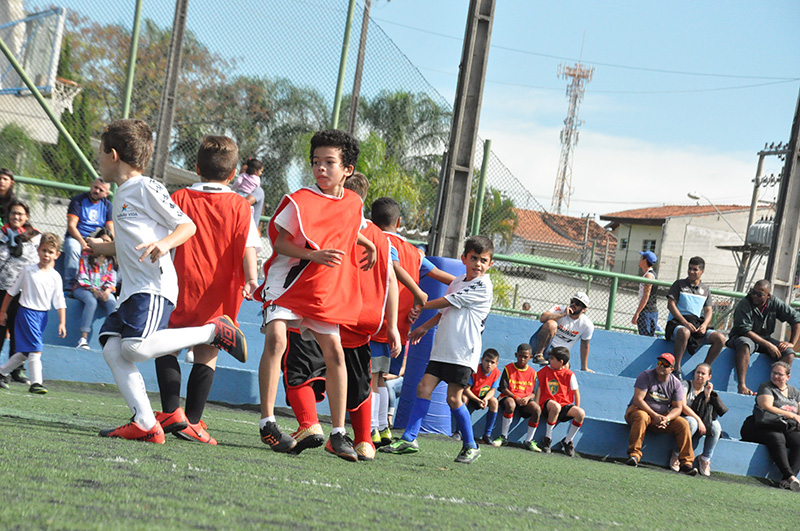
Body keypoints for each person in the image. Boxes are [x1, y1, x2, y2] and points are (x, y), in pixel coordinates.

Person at [90, 119, 247, 444]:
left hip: (154, 288)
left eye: (101, 154)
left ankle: (214, 331)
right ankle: (146, 421)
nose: (99, 160)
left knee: (133, 348)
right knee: (111, 345)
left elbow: (186, 226)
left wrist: (165, 245)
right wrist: (102, 249)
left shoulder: (146, 187)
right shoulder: (123, 193)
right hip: (134, 291)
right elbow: (133, 240)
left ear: (114, 155)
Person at [256, 129, 376, 461]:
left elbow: (350, 230)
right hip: (289, 280)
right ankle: (268, 422)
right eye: (315, 162)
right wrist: (312, 255)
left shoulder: (352, 202)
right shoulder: (301, 200)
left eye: (329, 162)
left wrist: (367, 245)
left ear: (348, 169)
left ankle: (338, 433)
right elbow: (280, 244)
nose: (320, 169)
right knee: (277, 340)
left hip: (321, 287)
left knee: (335, 354)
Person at [277, 172, 400, 461]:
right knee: (359, 382)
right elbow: (391, 280)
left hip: (325, 308)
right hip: (361, 319)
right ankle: (364, 441)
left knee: (299, 372)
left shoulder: (324, 218)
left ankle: (309, 424)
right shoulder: (382, 240)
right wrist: (392, 325)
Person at [153, 135, 260, 445]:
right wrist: (252, 279)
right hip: (221, 290)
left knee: (167, 347)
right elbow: (249, 247)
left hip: (180, 284)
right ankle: (195, 422)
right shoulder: (240, 205)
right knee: (207, 352)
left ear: (196, 167)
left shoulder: (180, 196)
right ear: (233, 173)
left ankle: (171, 412)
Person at [381, 236, 494, 464]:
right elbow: (444, 312)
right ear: (464, 258)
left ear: (490, 264)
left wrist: (421, 302)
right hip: (442, 349)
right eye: (474, 258)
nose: (478, 264)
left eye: (483, 260)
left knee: (454, 398)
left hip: (462, 353)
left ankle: (471, 445)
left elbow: (448, 302)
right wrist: (423, 327)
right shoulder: (458, 280)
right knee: (423, 387)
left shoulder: (483, 285)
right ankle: (410, 438)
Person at [368, 196, 453, 447]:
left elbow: (392, 270)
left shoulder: (378, 241)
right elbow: (438, 274)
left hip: (376, 320)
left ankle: (371, 429)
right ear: (400, 221)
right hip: (402, 327)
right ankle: (383, 428)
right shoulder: (415, 253)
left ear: (372, 221)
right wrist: (466, 284)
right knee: (381, 377)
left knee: (371, 377)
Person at [0, 232, 66, 393]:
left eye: (50, 252)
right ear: (38, 250)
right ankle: (36, 383)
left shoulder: (56, 277)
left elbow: (59, 301)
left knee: (25, 352)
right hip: (26, 313)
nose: (46, 255)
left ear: (57, 255)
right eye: (44, 250)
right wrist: (3, 311)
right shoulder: (28, 270)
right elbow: (12, 292)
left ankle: (1, 372)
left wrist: (62, 322)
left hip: (42, 316)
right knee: (36, 349)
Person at [624, 353, 697, 475]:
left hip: (660, 418)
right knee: (642, 416)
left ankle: (686, 463)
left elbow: (678, 408)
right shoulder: (645, 375)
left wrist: (666, 418)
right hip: (637, 412)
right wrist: (655, 415)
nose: (661, 366)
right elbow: (638, 400)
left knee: (683, 423)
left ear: (671, 369)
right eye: (659, 363)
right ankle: (634, 455)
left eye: (665, 365)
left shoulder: (676, 383)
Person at [727, 279, 800, 396]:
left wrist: (791, 342)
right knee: (745, 344)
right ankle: (742, 386)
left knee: (789, 353)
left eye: (759, 294)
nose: (754, 296)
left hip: (765, 338)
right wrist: (768, 345)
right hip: (742, 336)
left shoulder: (774, 302)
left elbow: (796, 319)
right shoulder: (745, 303)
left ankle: (774, 390)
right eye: (753, 292)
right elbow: (744, 330)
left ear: (768, 296)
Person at [740, 361, 800, 490]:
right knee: (778, 438)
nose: (775, 376)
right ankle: (790, 476)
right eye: (774, 373)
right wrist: (791, 415)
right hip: (764, 425)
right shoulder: (766, 387)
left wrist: (797, 418)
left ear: (788, 377)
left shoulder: (794, 391)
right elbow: (766, 406)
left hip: (786, 426)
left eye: (780, 374)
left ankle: (786, 481)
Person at [0, 199, 41, 385]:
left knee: (18, 332)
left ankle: (15, 370)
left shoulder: (34, 237)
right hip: (2, 288)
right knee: (0, 330)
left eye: (20, 214)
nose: (16, 216)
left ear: (27, 217)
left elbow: (36, 262)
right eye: (13, 213)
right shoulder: (1, 234)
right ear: (8, 215)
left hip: (23, 291)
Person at [664, 256, 725, 379]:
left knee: (720, 338)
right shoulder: (679, 284)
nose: (691, 272)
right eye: (690, 269)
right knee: (684, 332)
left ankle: (704, 368)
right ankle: (677, 369)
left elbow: (708, 310)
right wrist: (684, 322)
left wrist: (704, 325)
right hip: (678, 323)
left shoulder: (706, 289)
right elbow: (671, 305)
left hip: (696, 324)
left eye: (695, 269)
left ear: (702, 271)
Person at [676, 363, 727, 476]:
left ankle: (705, 458)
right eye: (698, 372)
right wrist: (699, 420)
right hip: (684, 417)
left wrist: (708, 396)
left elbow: (710, 414)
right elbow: (683, 406)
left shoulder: (707, 390)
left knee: (716, 427)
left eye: (703, 374)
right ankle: (677, 453)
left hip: (701, 419)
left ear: (709, 377)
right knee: (692, 423)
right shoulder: (685, 385)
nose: (699, 375)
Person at [63, 179, 114, 292]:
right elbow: (71, 226)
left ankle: (105, 287)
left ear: (106, 194)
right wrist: (82, 242)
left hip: (96, 239)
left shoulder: (108, 206)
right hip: (76, 238)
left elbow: (111, 231)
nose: (96, 191)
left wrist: (107, 244)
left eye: (101, 190)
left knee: (114, 252)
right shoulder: (78, 201)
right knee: (73, 248)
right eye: (95, 187)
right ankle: (69, 287)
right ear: (91, 186)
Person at [535, 346, 585, 457]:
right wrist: (537, 405)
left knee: (581, 413)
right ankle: (548, 438)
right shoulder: (544, 371)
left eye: (552, 359)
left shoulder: (569, 374)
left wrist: (576, 407)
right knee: (556, 406)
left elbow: (576, 393)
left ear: (561, 362)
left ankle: (567, 441)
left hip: (564, 405)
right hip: (548, 404)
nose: (549, 360)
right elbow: (539, 388)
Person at [72, 228, 117, 350]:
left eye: (107, 242)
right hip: (84, 289)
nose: (104, 244)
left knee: (113, 303)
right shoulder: (86, 255)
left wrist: (107, 292)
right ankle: (83, 339)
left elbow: (112, 279)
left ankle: (111, 341)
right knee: (91, 302)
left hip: (102, 290)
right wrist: (94, 291)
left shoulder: (110, 260)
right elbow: (82, 276)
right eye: (102, 240)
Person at [529, 292, 594, 372]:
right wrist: (562, 314)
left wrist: (584, 367)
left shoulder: (587, 325)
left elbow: (585, 345)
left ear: (584, 309)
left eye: (577, 303)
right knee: (551, 324)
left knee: (565, 367)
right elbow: (542, 318)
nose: (573, 304)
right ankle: (538, 355)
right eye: (572, 301)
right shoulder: (559, 309)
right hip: (540, 344)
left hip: (558, 353)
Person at [494, 343, 542, 451]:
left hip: (524, 400)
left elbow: (534, 392)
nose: (522, 359)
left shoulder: (533, 373)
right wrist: (516, 397)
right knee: (510, 404)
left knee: (537, 409)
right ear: (516, 355)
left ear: (530, 357)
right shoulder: (508, 368)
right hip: (509, 397)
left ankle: (528, 441)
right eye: (520, 356)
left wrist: (527, 398)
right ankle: (504, 436)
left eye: (525, 357)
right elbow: (503, 388)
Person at [456, 348, 500, 446]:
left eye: (492, 362)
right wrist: (478, 400)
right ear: (481, 360)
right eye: (487, 361)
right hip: (471, 396)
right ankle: (458, 432)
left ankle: (487, 435)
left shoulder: (496, 372)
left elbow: (493, 390)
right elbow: (466, 390)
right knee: (463, 398)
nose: (489, 364)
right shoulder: (475, 369)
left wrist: (485, 399)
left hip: (482, 398)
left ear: (496, 364)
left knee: (494, 402)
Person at [632, 250, 659, 336]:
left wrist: (637, 313)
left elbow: (646, 295)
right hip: (649, 311)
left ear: (645, 260)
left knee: (645, 336)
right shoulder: (648, 274)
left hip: (647, 311)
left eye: (641, 258)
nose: (639, 260)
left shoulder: (649, 276)